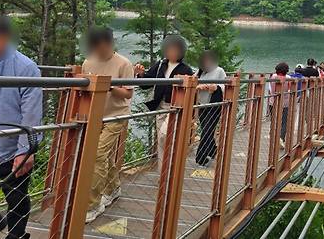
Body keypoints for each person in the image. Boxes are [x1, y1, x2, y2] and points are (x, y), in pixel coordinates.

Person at [0, 14, 41, 239]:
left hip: (9, 143)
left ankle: (16, 236)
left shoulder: (25, 67)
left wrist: (26, 150)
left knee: (16, 194)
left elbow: (31, 114)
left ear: (2, 39)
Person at [82, 27, 134, 224]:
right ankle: (113, 188)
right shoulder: (88, 62)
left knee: (97, 154)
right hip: (95, 116)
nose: (98, 49)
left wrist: (109, 87)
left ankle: (93, 204)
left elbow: (128, 93)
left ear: (109, 43)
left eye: (101, 45)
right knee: (103, 155)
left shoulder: (124, 63)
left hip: (117, 115)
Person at [134, 35, 193, 167]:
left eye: (175, 49)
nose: (171, 52)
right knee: (161, 141)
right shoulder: (161, 64)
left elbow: (190, 91)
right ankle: (163, 171)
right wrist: (140, 74)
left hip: (175, 107)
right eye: (169, 48)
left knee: (164, 135)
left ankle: (172, 167)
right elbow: (147, 83)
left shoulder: (186, 69)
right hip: (160, 106)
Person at [195, 51, 225, 167]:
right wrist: (199, 86)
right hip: (202, 105)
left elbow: (225, 85)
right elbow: (192, 82)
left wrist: (216, 87)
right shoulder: (200, 72)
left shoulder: (219, 70)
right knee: (206, 129)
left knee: (207, 130)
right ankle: (213, 150)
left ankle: (201, 158)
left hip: (214, 105)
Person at [268, 63, 290, 147]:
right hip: (284, 103)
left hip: (273, 101)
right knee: (284, 121)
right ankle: (281, 138)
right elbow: (289, 90)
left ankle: (272, 134)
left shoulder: (273, 77)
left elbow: (270, 89)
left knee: (273, 119)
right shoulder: (288, 78)